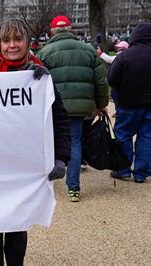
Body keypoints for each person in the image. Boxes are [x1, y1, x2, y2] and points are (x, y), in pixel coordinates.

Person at [0, 18, 71, 266]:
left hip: (24, 163)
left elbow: (59, 118)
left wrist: (62, 157)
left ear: (27, 42)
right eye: (6, 40)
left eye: (17, 39)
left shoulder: (40, 75)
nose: (12, 45)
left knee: (18, 225)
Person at [37, 15, 109, 202]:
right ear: (70, 30)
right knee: (74, 143)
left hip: (54, 105)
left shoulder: (45, 52)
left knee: (50, 142)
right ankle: (73, 188)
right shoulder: (89, 51)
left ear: (52, 32)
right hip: (80, 106)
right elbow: (100, 81)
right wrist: (101, 104)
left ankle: (44, 181)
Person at [107, 21, 151, 183]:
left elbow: (112, 79)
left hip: (128, 103)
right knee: (147, 138)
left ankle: (123, 169)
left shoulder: (126, 55)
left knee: (124, 135)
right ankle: (141, 173)